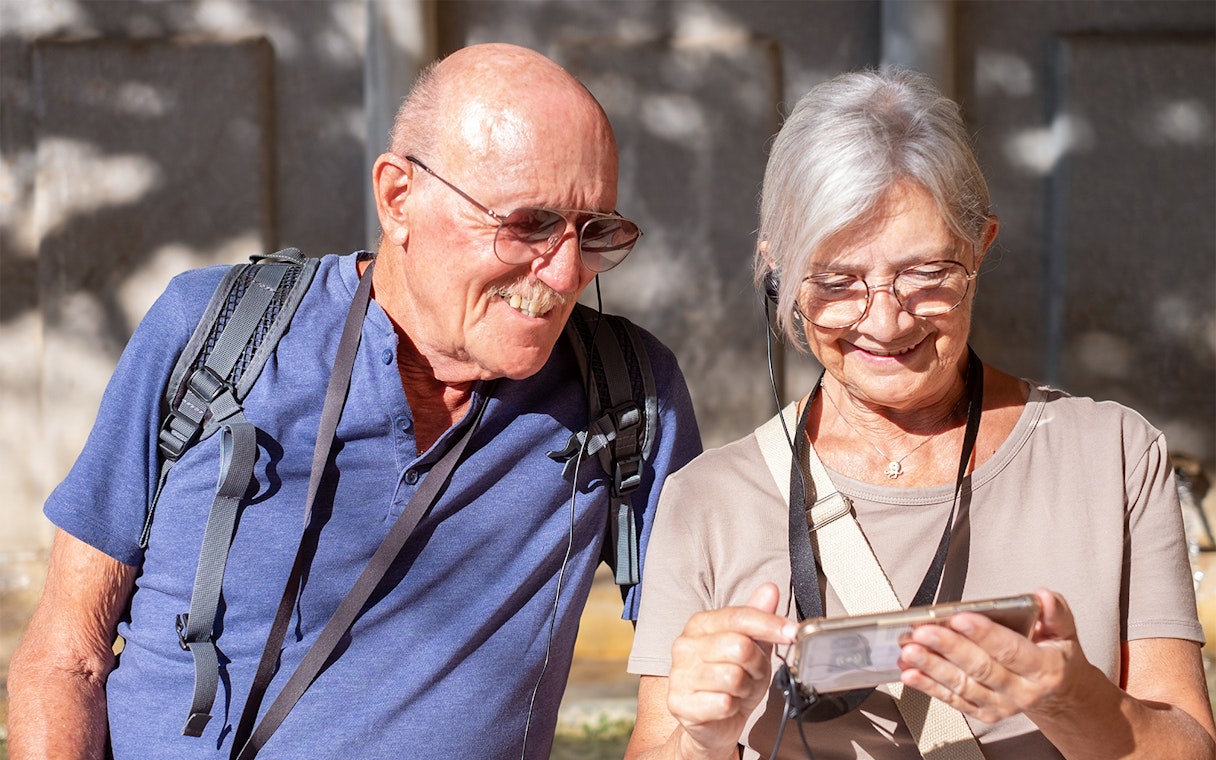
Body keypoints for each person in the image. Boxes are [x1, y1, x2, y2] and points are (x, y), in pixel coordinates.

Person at [8, 43, 701, 759]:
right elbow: (65, 658)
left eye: (594, 233)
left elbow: (695, 676)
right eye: (528, 224)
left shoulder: (625, 394)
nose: (564, 274)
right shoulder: (216, 332)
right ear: (399, 196)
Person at [625, 68, 1215, 759]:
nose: (884, 319)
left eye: (926, 273)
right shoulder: (706, 500)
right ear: (776, 274)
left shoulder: (1113, 455)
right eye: (837, 281)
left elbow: (1188, 746)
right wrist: (702, 737)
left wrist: (1071, 697)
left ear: (980, 246)